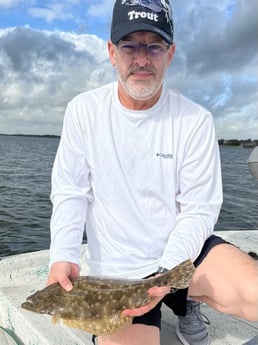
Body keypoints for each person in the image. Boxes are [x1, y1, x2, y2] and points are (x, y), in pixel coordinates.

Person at [47, 1, 258, 345]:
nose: (142, 59)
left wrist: (168, 274)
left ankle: (185, 300)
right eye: (129, 45)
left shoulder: (195, 120)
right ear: (112, 52)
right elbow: (71, 193)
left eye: (154, 46)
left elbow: (199, 210)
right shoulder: (83, 111)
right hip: (118, 279)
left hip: (183, 258)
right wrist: (63, 256)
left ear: (170, 54)